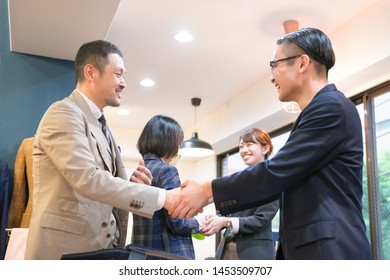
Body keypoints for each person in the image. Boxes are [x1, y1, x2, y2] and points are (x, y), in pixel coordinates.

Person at [167, 28, 372, 260]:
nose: (272, 77)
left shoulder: (331, 107)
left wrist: (207, 190)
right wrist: (211, 194)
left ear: (302, 63)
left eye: (275, 65)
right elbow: (280, 179)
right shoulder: (318, 111)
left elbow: (276, 172)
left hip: (332, 251)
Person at [24, 40, 171, 260]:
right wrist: (163, 198)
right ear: (91, 72)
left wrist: (130, 186)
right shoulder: (63, 112)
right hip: (62, 253)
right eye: (119, 74)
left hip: (96, 250)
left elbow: (100, 188)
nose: (124, 83)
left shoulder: (103, 125)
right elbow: (87, 178)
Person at [202, 128, 279, 260]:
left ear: (265, 149)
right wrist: (215, 219)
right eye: (241, 146)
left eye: (249, 145)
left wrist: (226, 221)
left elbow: (261, 219)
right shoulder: (238, 180)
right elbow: (227, 212)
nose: (243, 150)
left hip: (254, 253)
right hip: (226, 250)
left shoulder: (272, 180)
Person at [132, 114, 201, 260]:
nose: (178, 147)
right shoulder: (167, 170)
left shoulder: (137, 173)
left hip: (144, 253)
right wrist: (199, 223)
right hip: (169, 254)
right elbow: (176, 222)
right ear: (168, 142)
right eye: (178, 143)